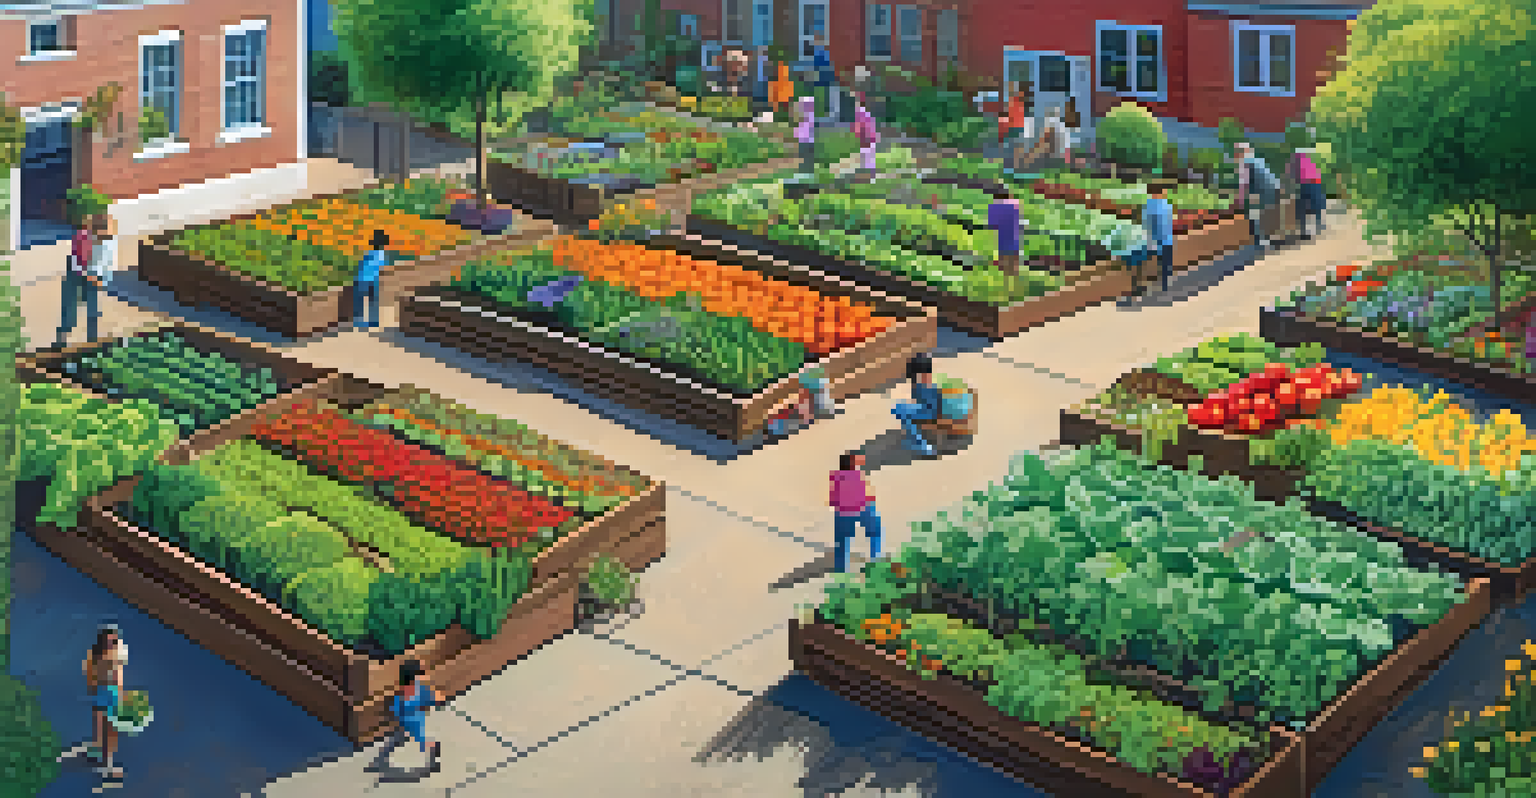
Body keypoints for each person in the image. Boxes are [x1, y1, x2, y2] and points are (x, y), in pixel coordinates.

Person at [365, 659, 443, 774]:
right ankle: (379, 761)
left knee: (420, 741)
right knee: (395, 741)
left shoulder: (419, 690)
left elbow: (437, 698)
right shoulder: (412, 690)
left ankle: (434, 756)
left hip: (413, 723)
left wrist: (434, 697)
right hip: (406, 722)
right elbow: (398, 708)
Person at [56, 213, 109, 348]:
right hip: (75, 272)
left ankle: (92, 341)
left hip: (91, 272)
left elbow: (106, 262)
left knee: (92, 307)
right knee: (70, 307)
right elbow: (76, 264)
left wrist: (101, 278)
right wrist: (91, 276)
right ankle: (61, 342)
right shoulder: (82, 237)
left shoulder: (106, 242)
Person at [83, 624, 127, 779]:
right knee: (106, 730)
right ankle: (107, 767)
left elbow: (118, 675)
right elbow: (91, 674)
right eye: (109, 640)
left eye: (113, 641)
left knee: (107, 730)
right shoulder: (101, 656)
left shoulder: (115, 653)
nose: (111, 643)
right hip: (104, 693)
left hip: (109, 693)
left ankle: (101, 755)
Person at [829, 451, 881, 573]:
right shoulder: (859, 475)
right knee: (875, 532)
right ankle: (875, 558)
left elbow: (833, 499)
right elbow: (867, 495)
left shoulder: (835, 476)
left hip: (843, 512)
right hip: (862, 509)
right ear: (853, 464)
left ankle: (841, 567)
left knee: (842, 540)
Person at [891, 353, 943, 457]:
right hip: (932, 412)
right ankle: (920, 442)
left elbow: (928, 406)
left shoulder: (922, 384)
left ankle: (920, 445)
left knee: (900, 409)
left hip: (932, 414)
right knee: (903, 409)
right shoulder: (927, 384)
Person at [1235, 142, 1281, 249]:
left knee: (1255, 213)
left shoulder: (1245, 162)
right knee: (1264, 213)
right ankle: (1266, 238)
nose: (1235, 154)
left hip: (1263, 190)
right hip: (1272, 188)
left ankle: (1260, 240)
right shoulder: (1257, 159)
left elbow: (1244, 183)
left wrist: (1241, 199)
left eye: (1237, 152)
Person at [1140, 181, 1176, 295]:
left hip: (1164, 239)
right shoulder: (1153, 206)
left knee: (1165, 263)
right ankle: (1164, 284)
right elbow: (1148, 224)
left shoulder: (1159, 204)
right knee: (1165, 263)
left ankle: (1164, 283)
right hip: (1161, 239)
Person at [355, 229, 390, 329]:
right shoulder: (382, 254)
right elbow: (382, 267)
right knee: (373, 301)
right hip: (374, 278)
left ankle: (360, 320)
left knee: (360, 300)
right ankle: (373, 321)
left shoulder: (369, 253)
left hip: (364, 278)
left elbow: (361, 265)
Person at [1290, 147, 1326, 238]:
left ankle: (1305, 229)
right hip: (1312, 183)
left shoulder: (1298, 158)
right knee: (1315, 205)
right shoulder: (1310, 158)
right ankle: (1316, 226)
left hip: (1307, 183)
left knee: (1303, 207)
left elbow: (1293, 173)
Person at [988, 187, 1024, 278]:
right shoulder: (1015, 204)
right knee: (1014, 269)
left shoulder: (994, 207)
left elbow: (991, 224)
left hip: (1002, 241)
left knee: (1004, 269)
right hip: (1014, 239)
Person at [811, 37, 839, 124]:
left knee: (826, 100)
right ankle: (827, 117)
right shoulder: (821, 54)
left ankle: (827, 118)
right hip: (825, 81)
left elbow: (820, 67)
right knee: (826, 101)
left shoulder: (821, 54)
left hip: (824, 81)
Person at [853, 92, 879, 179]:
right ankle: (870, 176)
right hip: (868, 137)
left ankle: (869, 177)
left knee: (867, 158)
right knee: (867, 158)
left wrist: (859, 134)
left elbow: (860, 126)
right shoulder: (864, 112)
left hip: (867, 138)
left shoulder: (861, 113)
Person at [795, 96, 817, 176]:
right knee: (804, 156)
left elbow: (808, 127)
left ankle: (807, 171)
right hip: (805, 139)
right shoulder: (804, 115)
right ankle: (805, 170)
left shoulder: (810, 115)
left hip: (807, 139)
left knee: (807, 156)